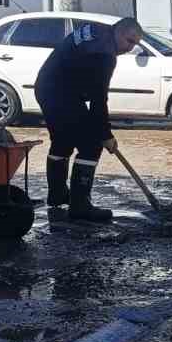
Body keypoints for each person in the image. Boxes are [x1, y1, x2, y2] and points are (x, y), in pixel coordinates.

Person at [35, 16, 144, 222]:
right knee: (91, 145)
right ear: (119, 32)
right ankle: (80, 205)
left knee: (62, 141)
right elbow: (98, 97)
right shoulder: (104, 53)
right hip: (60, 92)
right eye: (129, 41)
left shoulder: (99, 32)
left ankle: (57, 195)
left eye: (135, 44)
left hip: (47, 87)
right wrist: (105, 135)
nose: (130, 48)